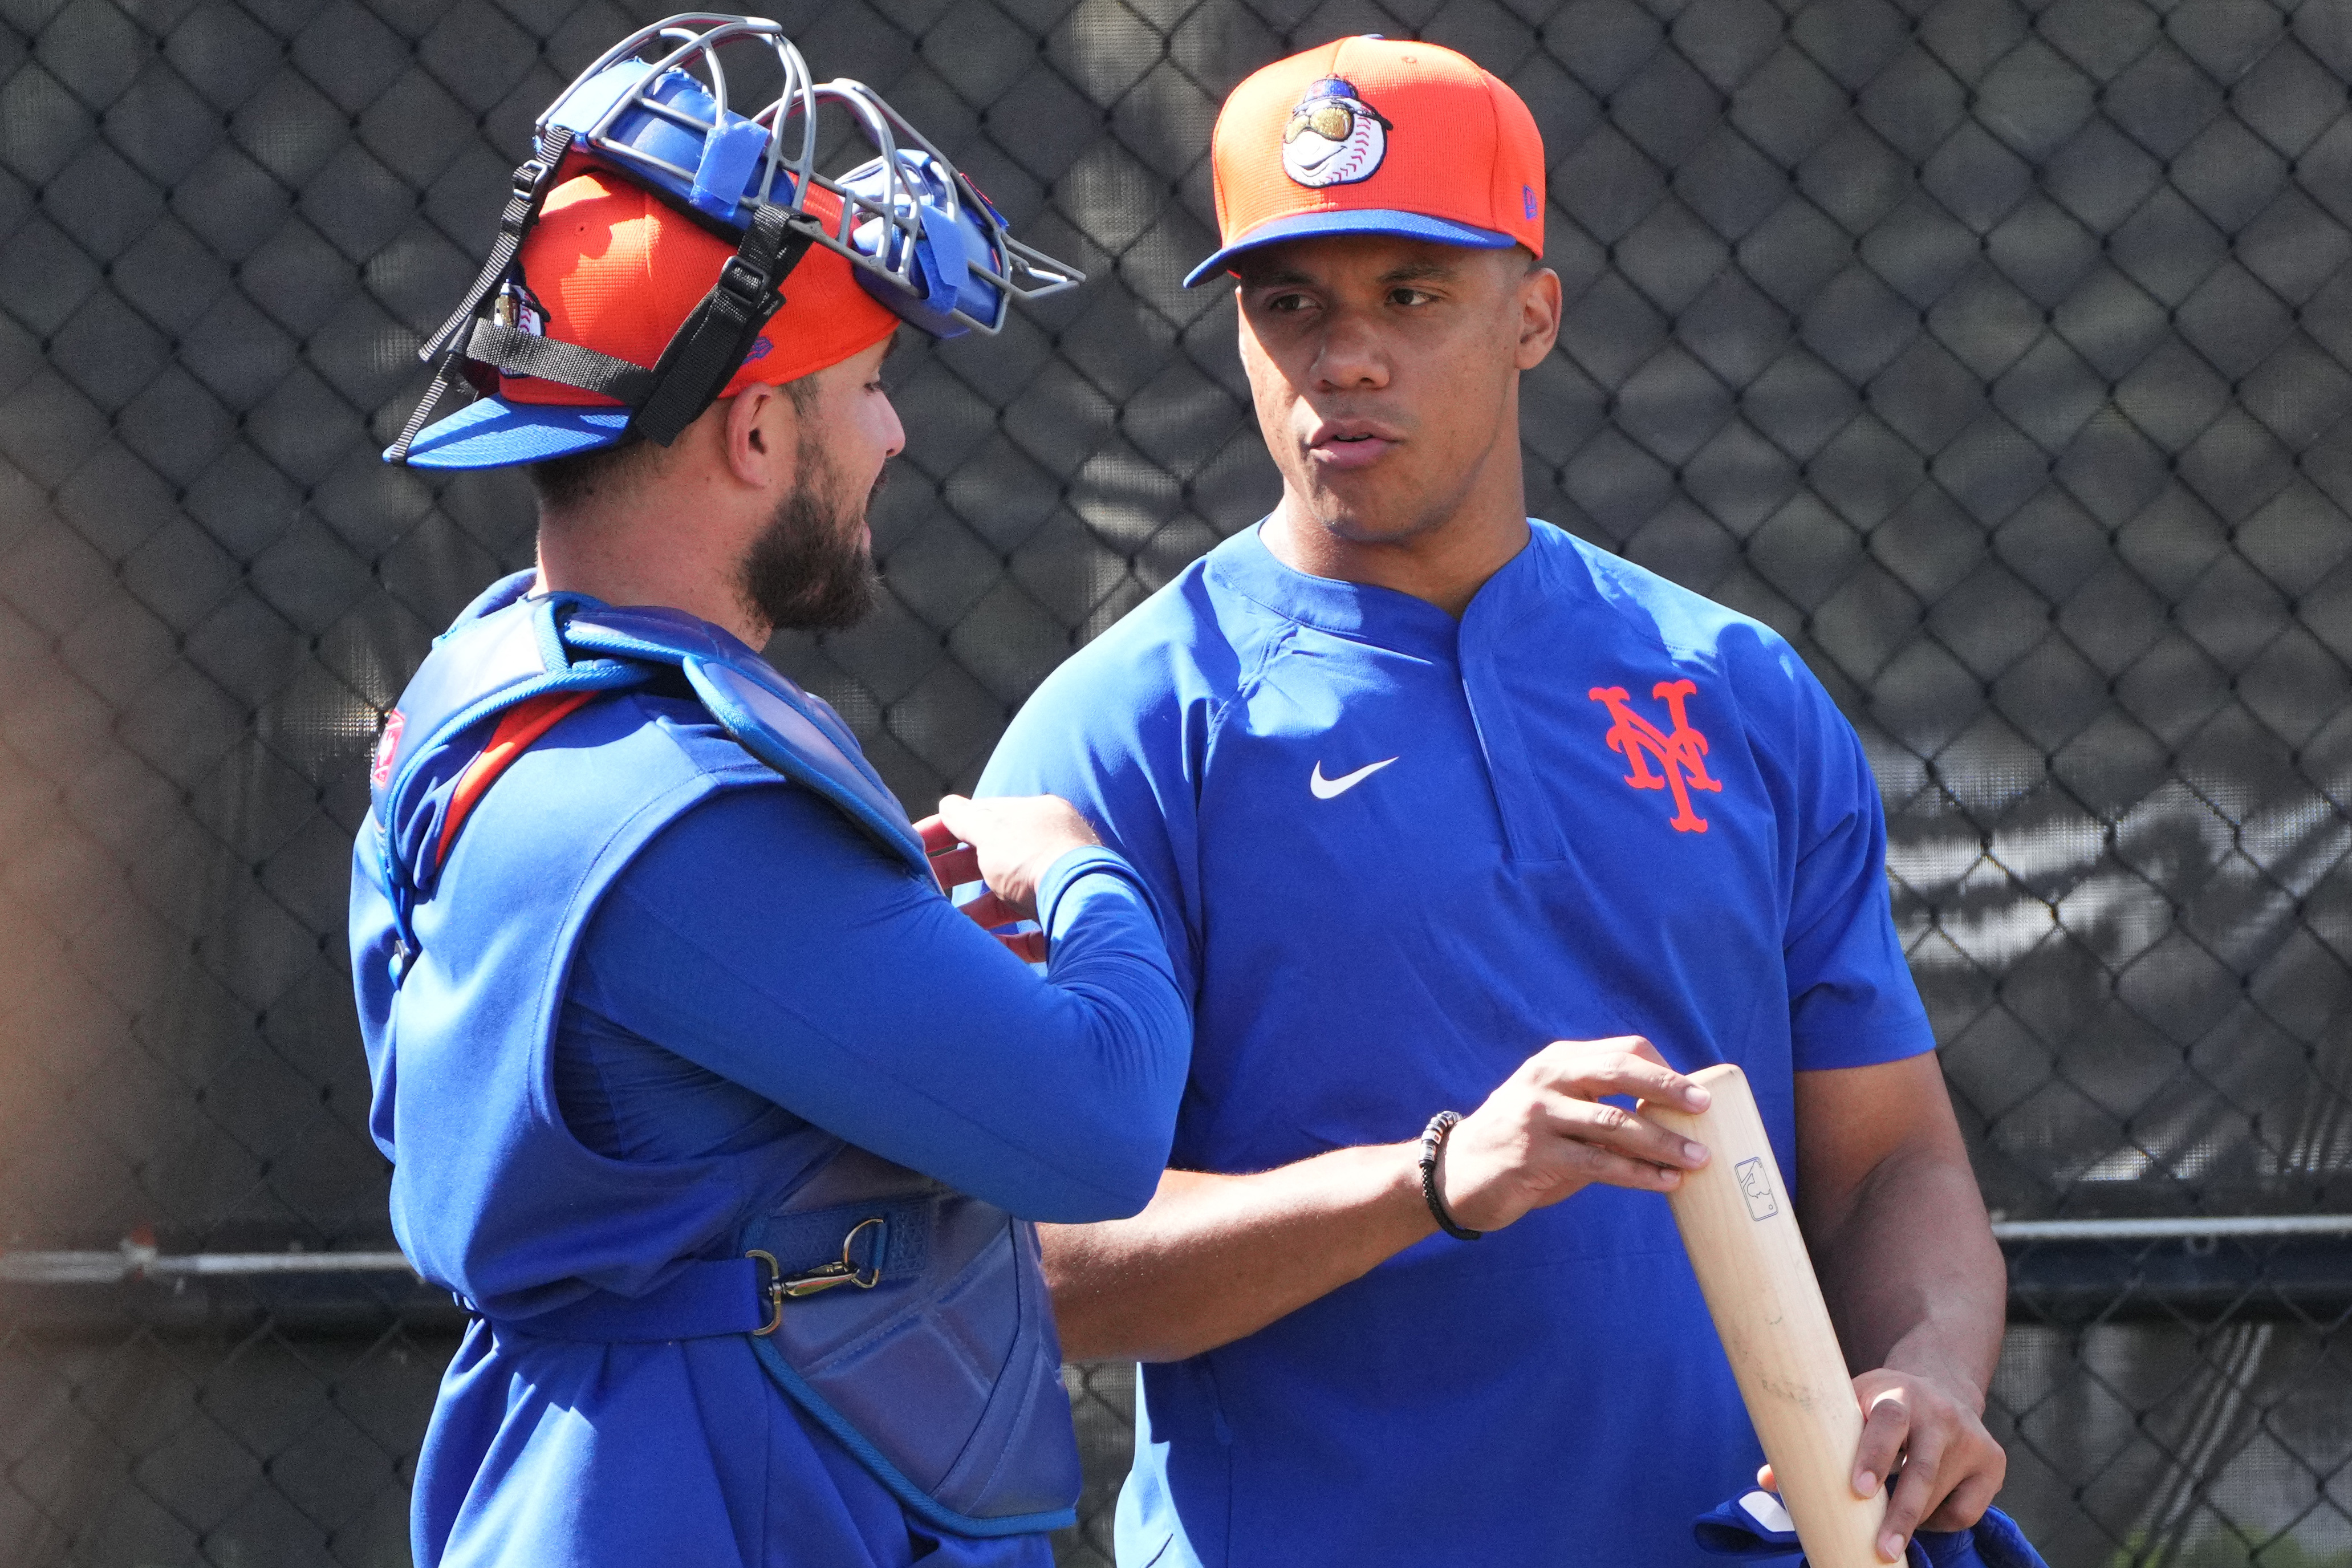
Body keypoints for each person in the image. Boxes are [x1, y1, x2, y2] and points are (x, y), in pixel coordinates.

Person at [978, 35, 2010, 1568]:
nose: (1345, 358)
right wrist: (1436, 1181)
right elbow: (1031, 1263)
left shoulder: (1734, 687)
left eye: (1411, 294)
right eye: (1290, 305)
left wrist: (1924, 1371)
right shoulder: (1117, 735)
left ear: (1532, 312)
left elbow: (1892, 1161)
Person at [348, 19, 1188, 1567]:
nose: (892, 431)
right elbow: (1101, 1127)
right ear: (750, 430)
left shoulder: (486, 678)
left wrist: (875, 963)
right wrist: (1079, 871)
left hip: (613, 1459)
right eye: (861, 386)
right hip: (709, 1495)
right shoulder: (676, 811)